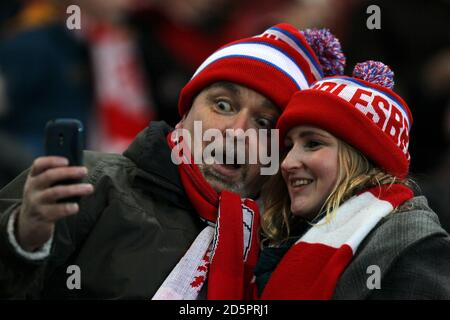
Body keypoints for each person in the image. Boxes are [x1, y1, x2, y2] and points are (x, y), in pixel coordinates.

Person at [0, 23, 345, 299]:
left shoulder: (288, 249)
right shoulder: (86, 182)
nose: (237, 131)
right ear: (184, 117)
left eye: (264, 123)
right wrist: (24, 238)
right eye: (223, 105)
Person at [254, 61, 450, 299]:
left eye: (313, 143)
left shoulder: (413, 245)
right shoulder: (276, 238)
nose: (287, 163)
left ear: (362, 156)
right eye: (289, 146)